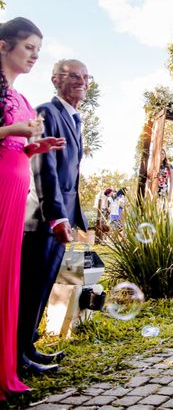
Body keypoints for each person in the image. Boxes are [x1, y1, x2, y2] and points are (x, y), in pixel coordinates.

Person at [1, 18, 65, 401]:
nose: (34, 56)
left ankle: (6, 369)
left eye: (38, 50)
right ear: (4, 46)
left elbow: (17, 147)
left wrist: (35, 147)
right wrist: (14, 132)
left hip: (14, 191)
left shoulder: (22, 97)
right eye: (28, 48)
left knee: (8, 281)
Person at [19, 59, 90, 376]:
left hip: (59, 219)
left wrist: (75, 218)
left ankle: (28, 346)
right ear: (55, 80)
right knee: (31, 288)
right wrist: (57, 217)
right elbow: (42, 167)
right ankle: (18, 354)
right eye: (74, 76)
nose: (82, 82)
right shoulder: (47, 111)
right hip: (43, 219)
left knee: (43, 287)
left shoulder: (73, 118)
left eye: (86, 77)